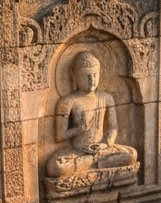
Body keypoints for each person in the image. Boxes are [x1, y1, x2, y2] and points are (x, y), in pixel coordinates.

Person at [46, 51, 136, 179]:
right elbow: (59, 136)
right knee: (55, 167)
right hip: (78, 151)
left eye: (95, 75)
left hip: (101, 149)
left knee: (131, 155)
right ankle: (97, 166)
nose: (92, 80)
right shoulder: (67, 102)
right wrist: (79, 129)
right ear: (75, 77)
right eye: (86, 76)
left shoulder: (106, 98)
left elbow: (113, 128)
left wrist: (104, 144)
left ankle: (92, 165)